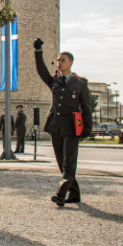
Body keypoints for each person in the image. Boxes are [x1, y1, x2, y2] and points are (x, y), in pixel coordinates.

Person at [34, 38, 92, 206]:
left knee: (69, 162)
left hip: (73, 127)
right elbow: (41, 70)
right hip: (55, 125)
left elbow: (87, 108)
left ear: (71, 62)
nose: (59, 63)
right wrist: (38, 51)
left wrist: (87, 128)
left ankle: (61, 193)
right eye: (58, 60)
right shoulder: (54, 81)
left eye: (63, 60)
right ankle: (74, 194)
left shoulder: (80, 84)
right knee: (61, 161)